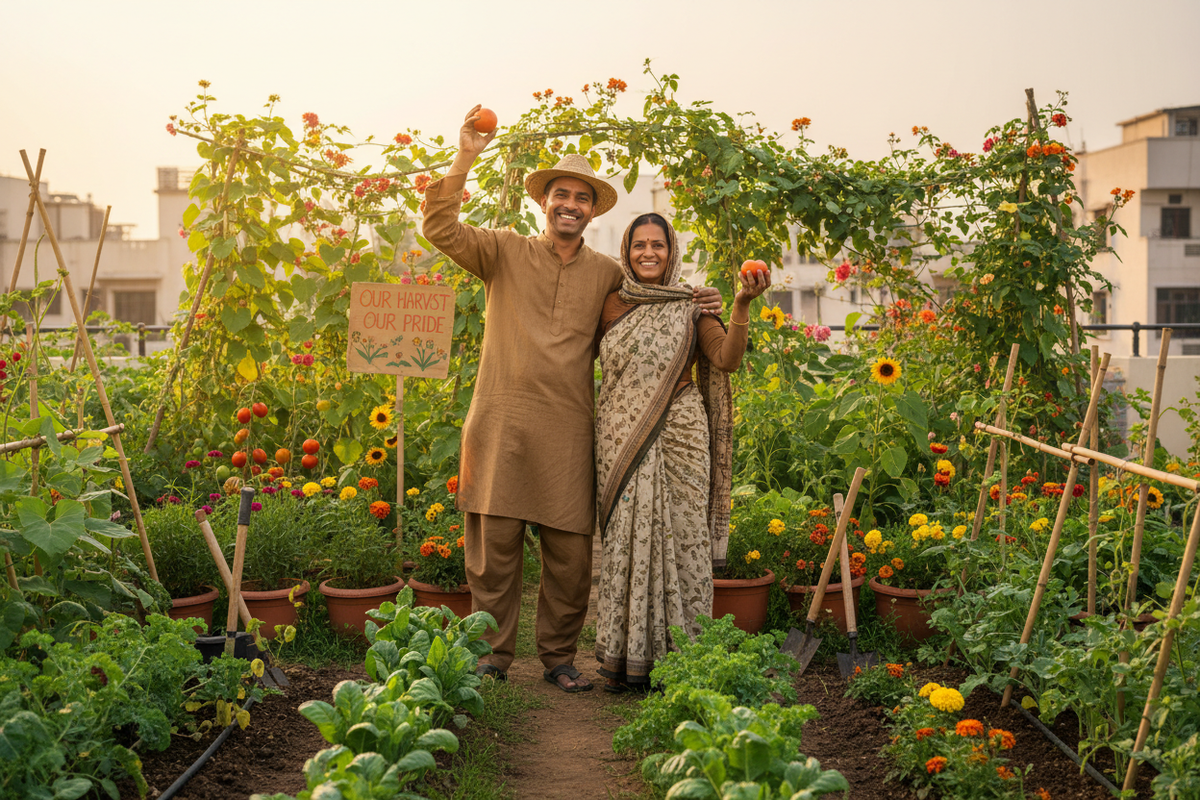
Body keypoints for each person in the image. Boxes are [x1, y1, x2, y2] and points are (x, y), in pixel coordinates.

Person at [420, 106, 723, 692]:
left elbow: (653, 293)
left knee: (570, 558)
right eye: (561, 194)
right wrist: (465, 156)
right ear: (544, 202)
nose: (570, 205)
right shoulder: (502, 251)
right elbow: (439, 228)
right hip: (501, 423)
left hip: (568, 430)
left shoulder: (607, 273)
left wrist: (704, 298)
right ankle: (491, 658)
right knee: (494, 557)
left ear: (592, 211)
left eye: (581, 199)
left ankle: (559, 657)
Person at [593, 212, 769, 692]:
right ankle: (626, 657)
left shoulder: (694, 304)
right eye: (638, 246)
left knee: (684, 538)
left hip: (682, 434)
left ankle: (685, 654)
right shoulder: (609, 304)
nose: (648, 253)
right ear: (626, 252)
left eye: (658, 245)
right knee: (628, 540)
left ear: (672, 252)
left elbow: (726, 359)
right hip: (620, 438)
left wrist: (739, 304)